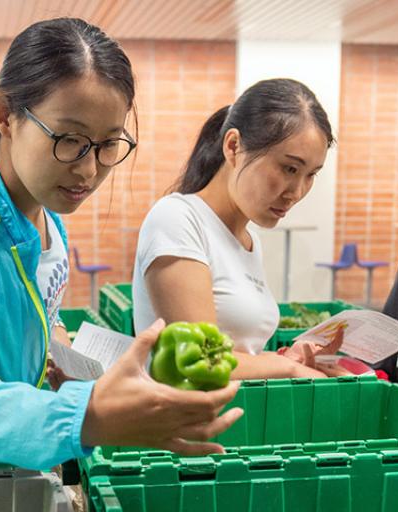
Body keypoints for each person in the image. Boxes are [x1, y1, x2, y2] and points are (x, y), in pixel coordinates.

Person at [0, 18, 242, 468]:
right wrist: (88, 416)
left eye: (107, 144)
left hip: (1, 454)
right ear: (5, 116)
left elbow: (39, 310)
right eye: (69, 140)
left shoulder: (40, 202)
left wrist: (68, 370)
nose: (88, 171)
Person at [131, 79, 339, 379]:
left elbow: (238, 355)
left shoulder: (249, 241)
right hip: (181, 422)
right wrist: (287, 368)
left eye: (311, 175)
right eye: (289, 168)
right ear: (233, 146)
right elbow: (196, 361)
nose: (296, 191)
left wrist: (291, 358)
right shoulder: (177, 218)